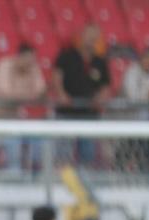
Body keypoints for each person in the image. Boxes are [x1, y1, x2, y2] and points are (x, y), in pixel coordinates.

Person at [0, 44, 46, 171]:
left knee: (14, 154)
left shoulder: (33, 68)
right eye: (27, 60)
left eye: (32, 61)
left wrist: (27, 95)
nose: (30, 64)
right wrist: (29, 95)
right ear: (19, 57)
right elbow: (6, 93)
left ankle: (13, 180)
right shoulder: (4, 65)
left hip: (10, 117)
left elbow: (40, 90)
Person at [53, 24, 111, 165]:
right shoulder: (67, 56)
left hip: (89, 114)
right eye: (89, 37)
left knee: (88, 153)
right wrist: (62, 95)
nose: (91, 40)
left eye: (94, 38)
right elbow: (56, 76)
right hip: (66, 112)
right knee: (63, 152)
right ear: (82, 36)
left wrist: (100, 98)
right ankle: (62, 181)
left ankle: (85, 182)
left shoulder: (100, 61)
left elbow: (105, 85)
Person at [119, 47, 149, 170]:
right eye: (146, 58)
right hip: (130, 121)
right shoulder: (132, 72)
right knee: (125, 152)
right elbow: (133, 97)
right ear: (141, 59)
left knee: (146, 153)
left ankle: (145, 173)